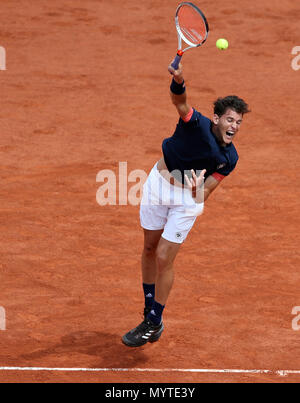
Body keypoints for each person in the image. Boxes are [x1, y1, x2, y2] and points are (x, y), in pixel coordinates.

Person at [122, 62, 250, 347]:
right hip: (158, 184)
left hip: (186, 201)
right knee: (149, 248)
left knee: (165, 257)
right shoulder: (196, 124)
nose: (235, 127)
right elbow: (180, 103)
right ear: (216, 119)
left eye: (239, 123)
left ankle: (154, 319)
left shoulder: (230, 159)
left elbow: (205, 194)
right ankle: (147, 309)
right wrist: (179, 81)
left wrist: (195, 188)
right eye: (230, 120)